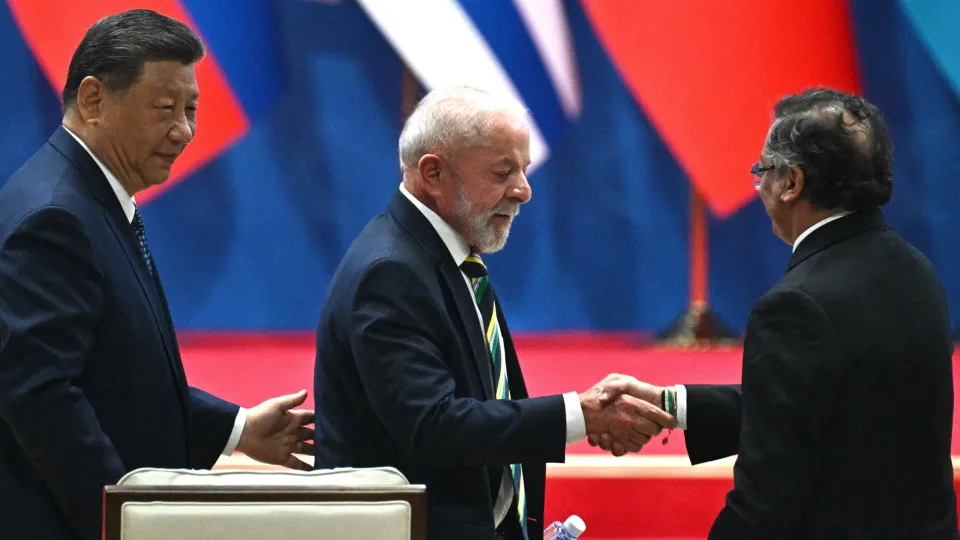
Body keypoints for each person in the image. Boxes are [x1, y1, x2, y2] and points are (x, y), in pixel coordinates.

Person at [0, 10, 315, 539]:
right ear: (94, 99)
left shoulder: (88, 199)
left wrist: (239, 429)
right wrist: (123, 520)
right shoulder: (54, 216)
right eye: (165, 108)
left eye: (191, 109)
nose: (184, 131)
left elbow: (119, 378)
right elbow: (41, 397)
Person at [592, 88, 959, 539]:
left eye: (762, 170)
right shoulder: (918, 272)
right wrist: (671, 404)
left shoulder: (797, 305)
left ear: (791, 183)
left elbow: (765, 502)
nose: (760, 184)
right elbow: (833, 406)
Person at [312, 85, 675, 540]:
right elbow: (435, 427)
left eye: (523, 169)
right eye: (503, 172)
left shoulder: (446, 254)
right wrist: (579, 415)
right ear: (433, 174)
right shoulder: (390, 272)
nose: (524, 190)